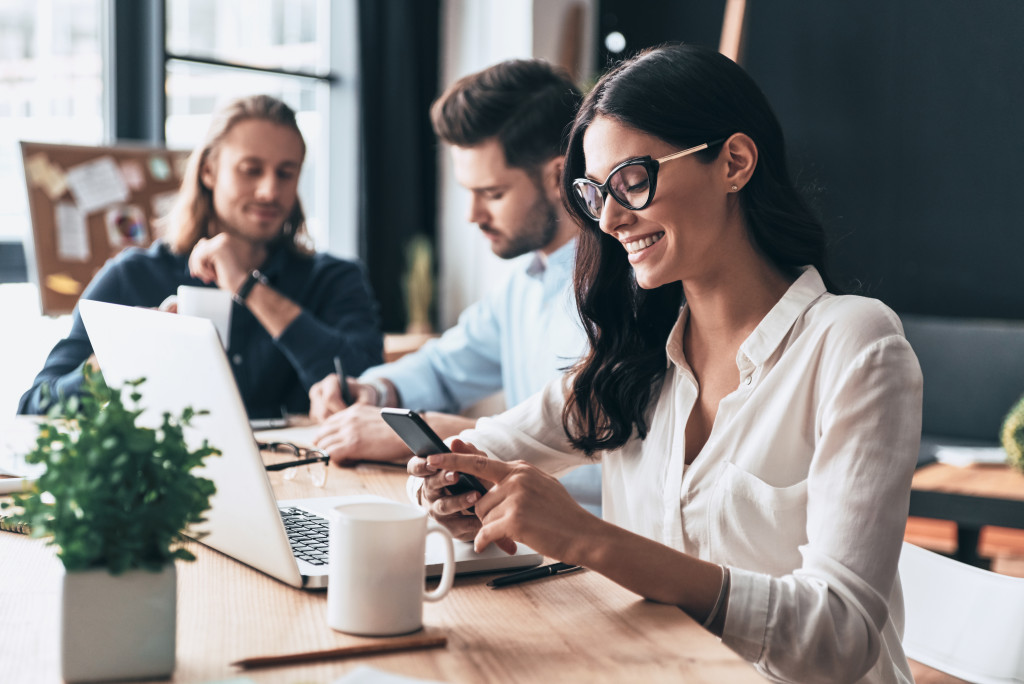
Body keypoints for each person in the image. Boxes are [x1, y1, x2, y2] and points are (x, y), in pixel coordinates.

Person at [409, 44, 923, 683]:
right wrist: (439, 488)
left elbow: (838, 635)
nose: (610, 218)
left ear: (734, 162)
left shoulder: (856, 344)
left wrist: (587, 539)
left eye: (631, 180)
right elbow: (474, 448)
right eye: (595, 193)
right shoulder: (631, 361)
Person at [308, 59, 601, 514]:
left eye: (493, 193)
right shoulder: (524, 283)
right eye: (468, 191)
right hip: (519, 533)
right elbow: (445, 368)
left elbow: (606, 457)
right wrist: (374, 393)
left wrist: (441, 434)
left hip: (589, 551)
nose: (472, 215)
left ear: (557, 176)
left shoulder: (621, 291)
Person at [19, 95, 383, 419]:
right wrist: (120, 354)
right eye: (251, 170)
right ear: (209, 170)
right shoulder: (133, 276)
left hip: (311, 485)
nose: (270, 190)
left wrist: (248, 287)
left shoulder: (335, 278)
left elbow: (365, 391)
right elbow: (35, 407)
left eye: (286, 173)